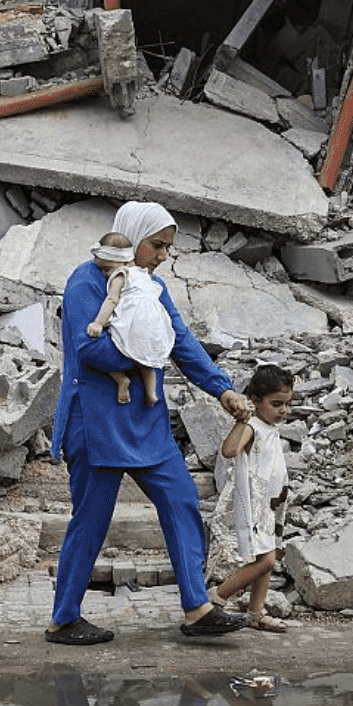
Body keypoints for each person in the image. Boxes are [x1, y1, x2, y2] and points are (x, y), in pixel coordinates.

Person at [46, 200, 254, 645]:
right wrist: (151, 348)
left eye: (166, 247)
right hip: (97, 420)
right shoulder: (85, 282)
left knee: (181, 499)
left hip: (145, 419)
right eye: (157, 245)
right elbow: (91, 350)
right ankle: (64, 618)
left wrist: (223, 389)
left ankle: (197, 607)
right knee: (91, 520)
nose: (162, 255)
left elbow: (180, 339)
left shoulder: (151, 287)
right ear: (133, 238)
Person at [207, 365, 294, 632]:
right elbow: (230, 450)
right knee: (265, 561)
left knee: (268, 559)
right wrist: (241, 421)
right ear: (256, 401)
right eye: (276, 404)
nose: (283, 411)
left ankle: (256, 612)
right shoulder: (253, 427)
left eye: (287, 405)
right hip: (253, 504)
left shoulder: (269, 427)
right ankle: (216, 599)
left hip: (270, 504)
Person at [83, 229, 168, 407]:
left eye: (107, 269)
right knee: (147, 360)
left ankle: (121, 380)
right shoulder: (144, 274)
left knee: (113, 346)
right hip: (154, 324)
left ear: (123, 261)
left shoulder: (121, 274)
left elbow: (112, 299)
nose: (105, 274)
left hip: (133, 321)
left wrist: (98, 323)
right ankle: (151, 393)